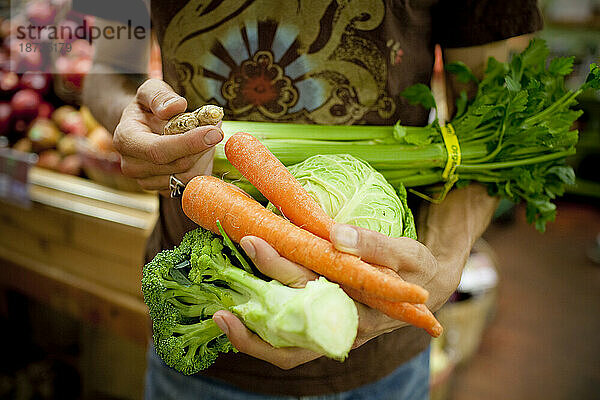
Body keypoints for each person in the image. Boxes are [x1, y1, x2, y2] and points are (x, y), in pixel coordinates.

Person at [83, 1, 542, 398]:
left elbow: (499, 108)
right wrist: (132, 121)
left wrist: (439, 266)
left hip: (384, 346)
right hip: (209, 315)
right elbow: (106, 73)